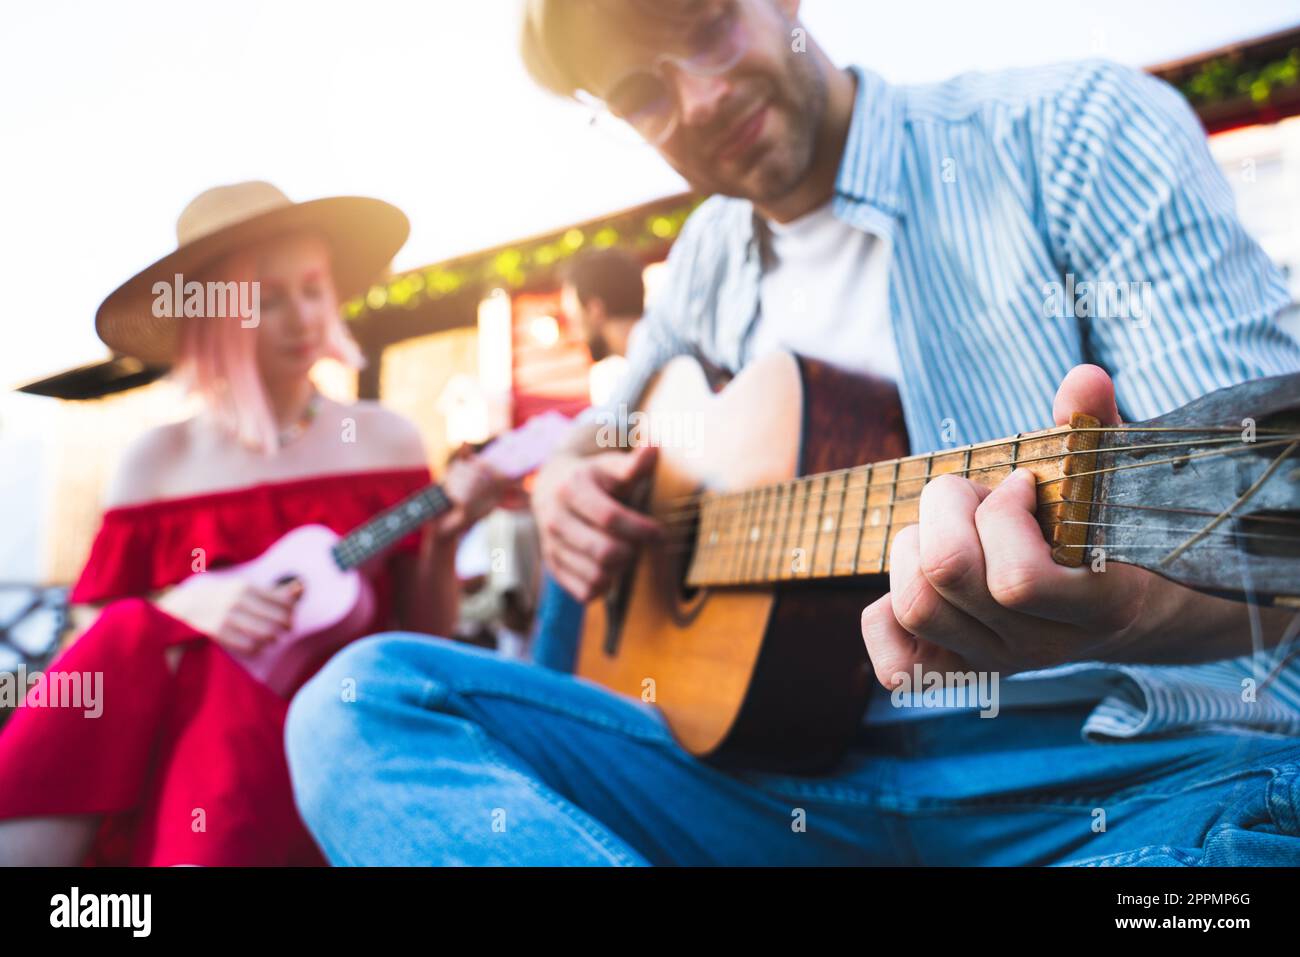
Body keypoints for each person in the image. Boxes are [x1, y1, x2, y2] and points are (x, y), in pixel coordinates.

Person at [285, 0, 1300, 865]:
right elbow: (608, 424)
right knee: (356, 706)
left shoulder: (1073, 130)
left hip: (1123, 775)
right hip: (764, 788)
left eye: (707, 25)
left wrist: (1130, 613)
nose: (697, 98)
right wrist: (562, 477)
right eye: (640, 92)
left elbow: (1275, 549)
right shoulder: (703, 264)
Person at [0, 182, 503, 866]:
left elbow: (419, 639)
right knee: (145, 639)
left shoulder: (388, 441)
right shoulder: (155, 461)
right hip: (192, 762)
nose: (302, 316)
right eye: (267, 297)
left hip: (353, 740)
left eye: (314, 287)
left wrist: (441, 546)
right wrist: (191, 603)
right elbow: (93, 643)